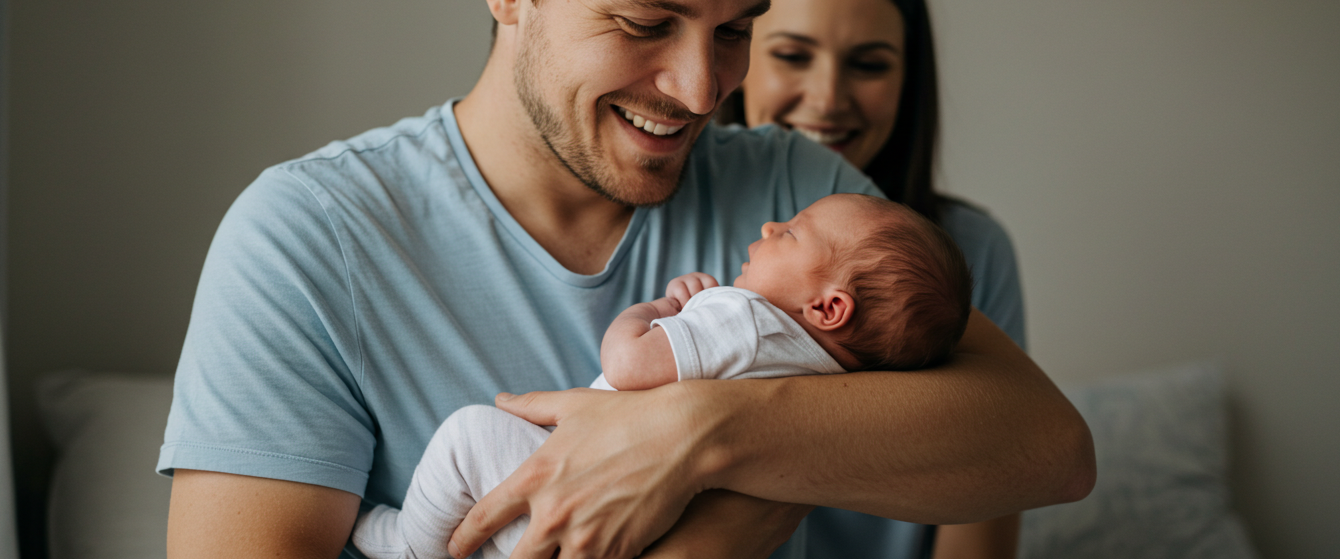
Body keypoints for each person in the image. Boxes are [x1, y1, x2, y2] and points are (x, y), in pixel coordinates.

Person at [160, 0, 1094, 559]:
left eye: (735, 30)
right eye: (647, 23)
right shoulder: (307, 240)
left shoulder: (797, 192)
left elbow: (1050, 449)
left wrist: (697, 435)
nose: (701, 90)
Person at [351, 193, 974, 559]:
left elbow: (627, 366)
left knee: (470, 435)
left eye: (789, 233)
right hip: (641, 535)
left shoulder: (746, 321)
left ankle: (409, 545)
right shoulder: (831, 381)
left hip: (574, 502)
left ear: (829, 308)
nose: (768, 228)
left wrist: (659, 311)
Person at [720, 0, 1027, 557]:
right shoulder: (693, 225)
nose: (828, 97)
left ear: (908, 79)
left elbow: (990, 510)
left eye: (868, 64)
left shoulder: (971, 254)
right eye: (792, 56)